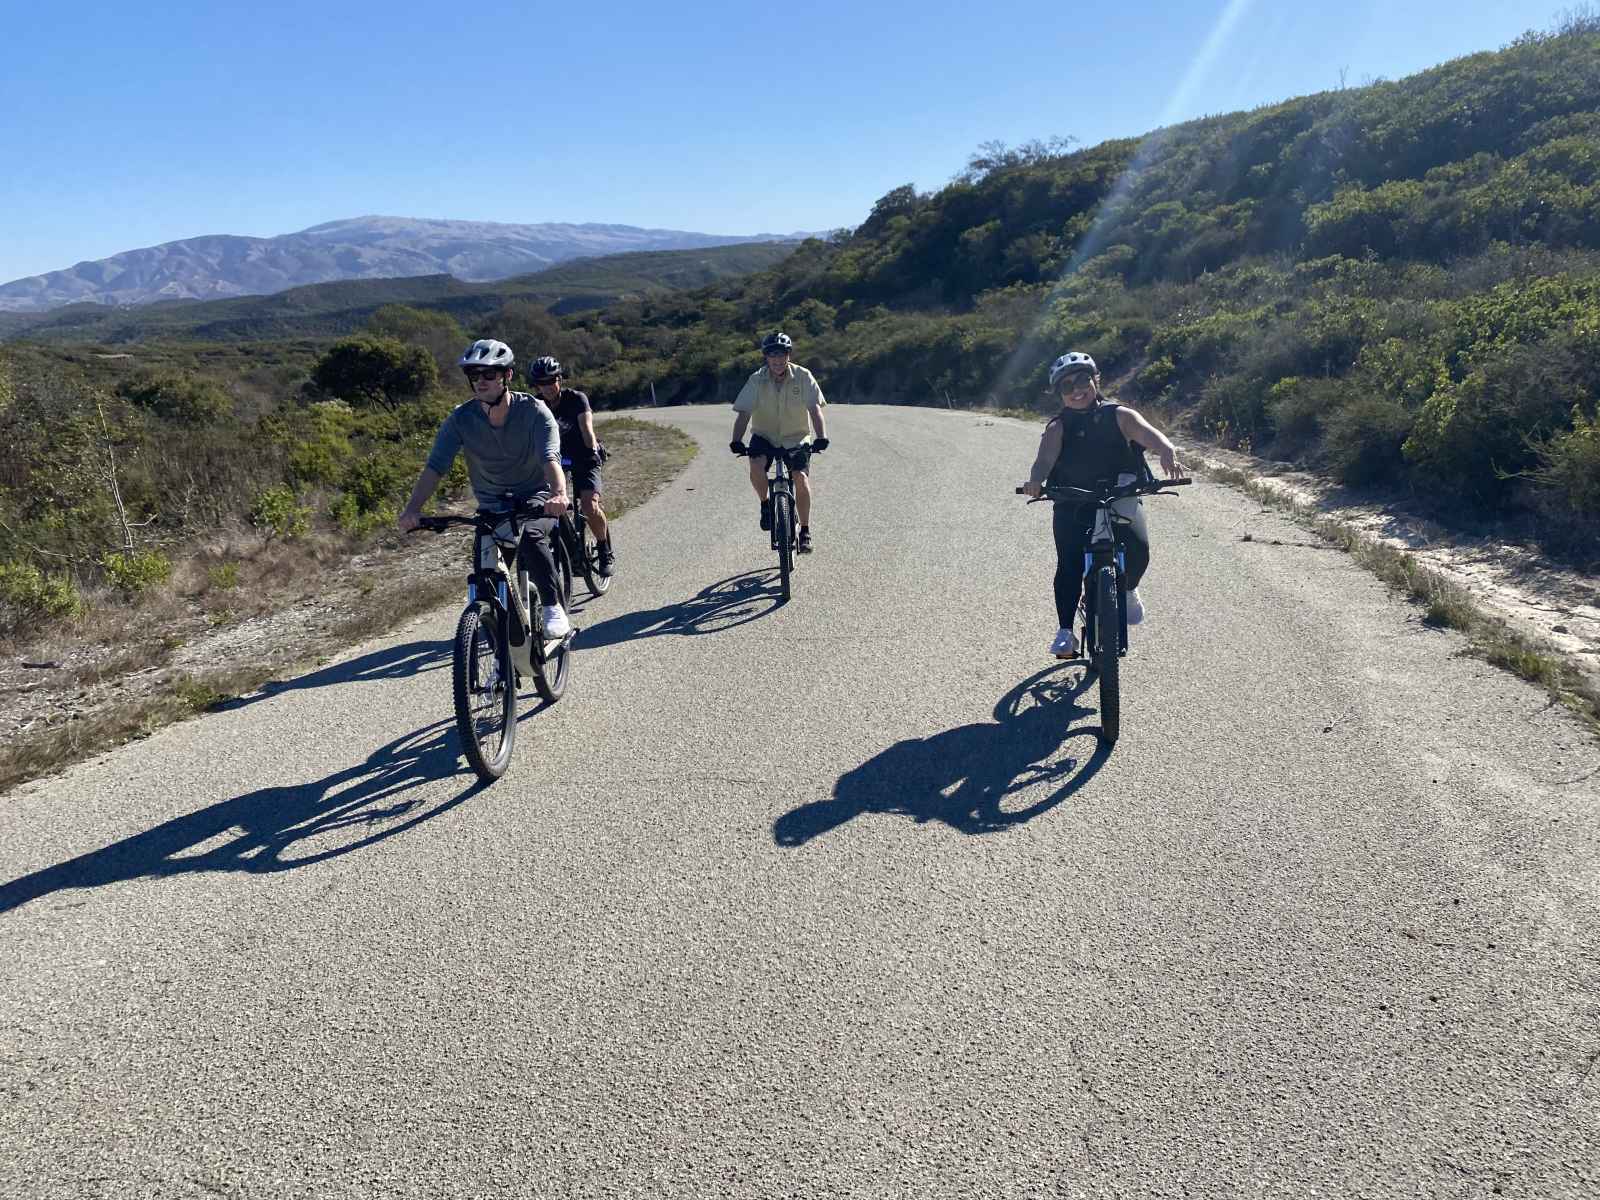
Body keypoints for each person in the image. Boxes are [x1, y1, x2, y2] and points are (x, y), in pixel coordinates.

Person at [397, 339, 572, 639]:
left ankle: (553, 606)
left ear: (508, 376)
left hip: (536, 496)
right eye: (474, 375)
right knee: (485, 576)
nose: (481, 381)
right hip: (493, 506)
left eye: (489, 374)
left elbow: (549, 457)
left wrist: (558, 493)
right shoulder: (461, 419)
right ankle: (495, 634)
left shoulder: (535, 411)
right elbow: (435, 468)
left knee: (531, 536)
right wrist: (413, 509)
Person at [1022, 351, 1182, 659]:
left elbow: (1150, 435)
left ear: (1096, 379)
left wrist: (1166, 450)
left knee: (1138, 550)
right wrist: (1035, 480)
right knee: (1069, 564)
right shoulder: (1058, 426)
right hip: (1072, 498)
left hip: (1120, 493)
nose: (1076, 390)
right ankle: (1065, 633)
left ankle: (1129, 588)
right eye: (1066, 386)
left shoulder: (1119, 415)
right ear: (1059, 394)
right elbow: (1043, 461)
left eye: (1082, 380)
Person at [728, 331, 829, 552]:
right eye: (772, 354)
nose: (777, 359)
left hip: (796, 437)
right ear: (766, 357)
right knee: (755, 466)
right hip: (765, 435)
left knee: (800, 478)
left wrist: (821, 437)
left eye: (781, 354)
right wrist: (736, 440)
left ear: (788, 355)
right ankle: (765, 505)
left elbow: (814, 409)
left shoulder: (803, 376)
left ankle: (805, 530)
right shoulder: (756, 379)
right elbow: (744, 413)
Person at [528, 355, 613, 577]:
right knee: (551, 504)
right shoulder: (535, 405)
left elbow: (587, 428)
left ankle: (604, 550)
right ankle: (569, 549)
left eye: (551, 380)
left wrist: (593, 449)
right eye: (541, 382)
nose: (547, 387)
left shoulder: (576, 398)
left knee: (589, 506)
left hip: (585, 456)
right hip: (555, 460)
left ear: (559, 379)